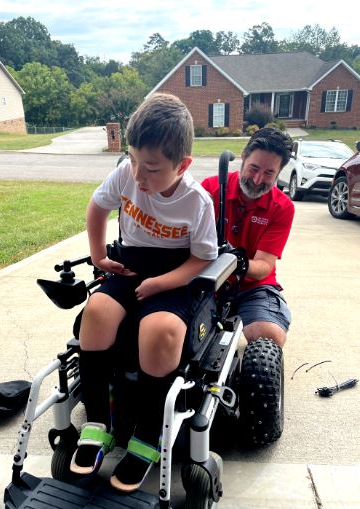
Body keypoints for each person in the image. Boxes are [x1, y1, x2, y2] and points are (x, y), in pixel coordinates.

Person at [72, 93, 218, 492]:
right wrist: (99, 255)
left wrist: (162, 283)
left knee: (159, 331)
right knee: (95, 313)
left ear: (182, 165)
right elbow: (97, 206)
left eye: (151, 169)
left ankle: (148, 434)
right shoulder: (126, 174)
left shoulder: (198, 202)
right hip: (130, 265)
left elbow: (203, 259)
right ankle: (98, 422)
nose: (138, 176)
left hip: (175, 276)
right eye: (133, 160)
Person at [201, 127, 294, 348]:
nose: (257, 179)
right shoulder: (210, 189)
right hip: (207, 281)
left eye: (269, 173)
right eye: (253, 168)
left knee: (270, 336)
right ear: (243, 157)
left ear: (279, 172)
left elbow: (263, 265)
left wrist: (233, 261)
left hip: (252, 286)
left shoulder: (282, 207)